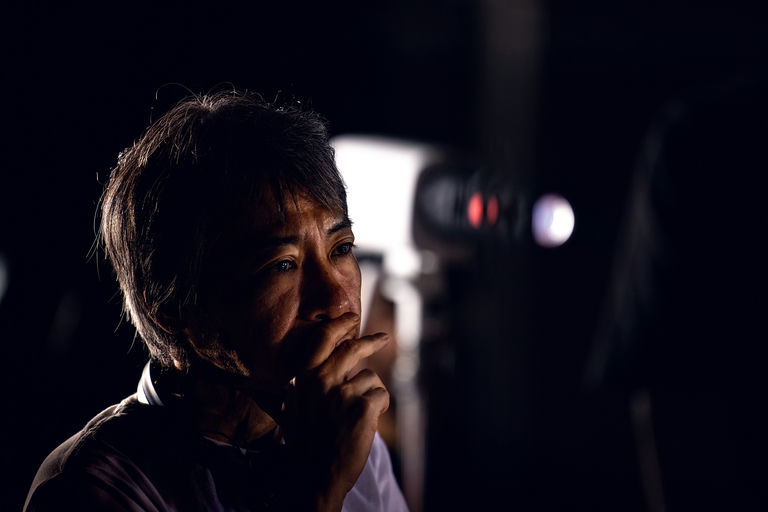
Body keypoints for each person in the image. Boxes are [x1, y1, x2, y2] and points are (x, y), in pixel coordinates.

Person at [24, 90, 409, 511]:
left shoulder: (343, 431)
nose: (336, 300)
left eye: (341, 248)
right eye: (283, 265)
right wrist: (318, 488)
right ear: (173, 306)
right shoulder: (96, 485)